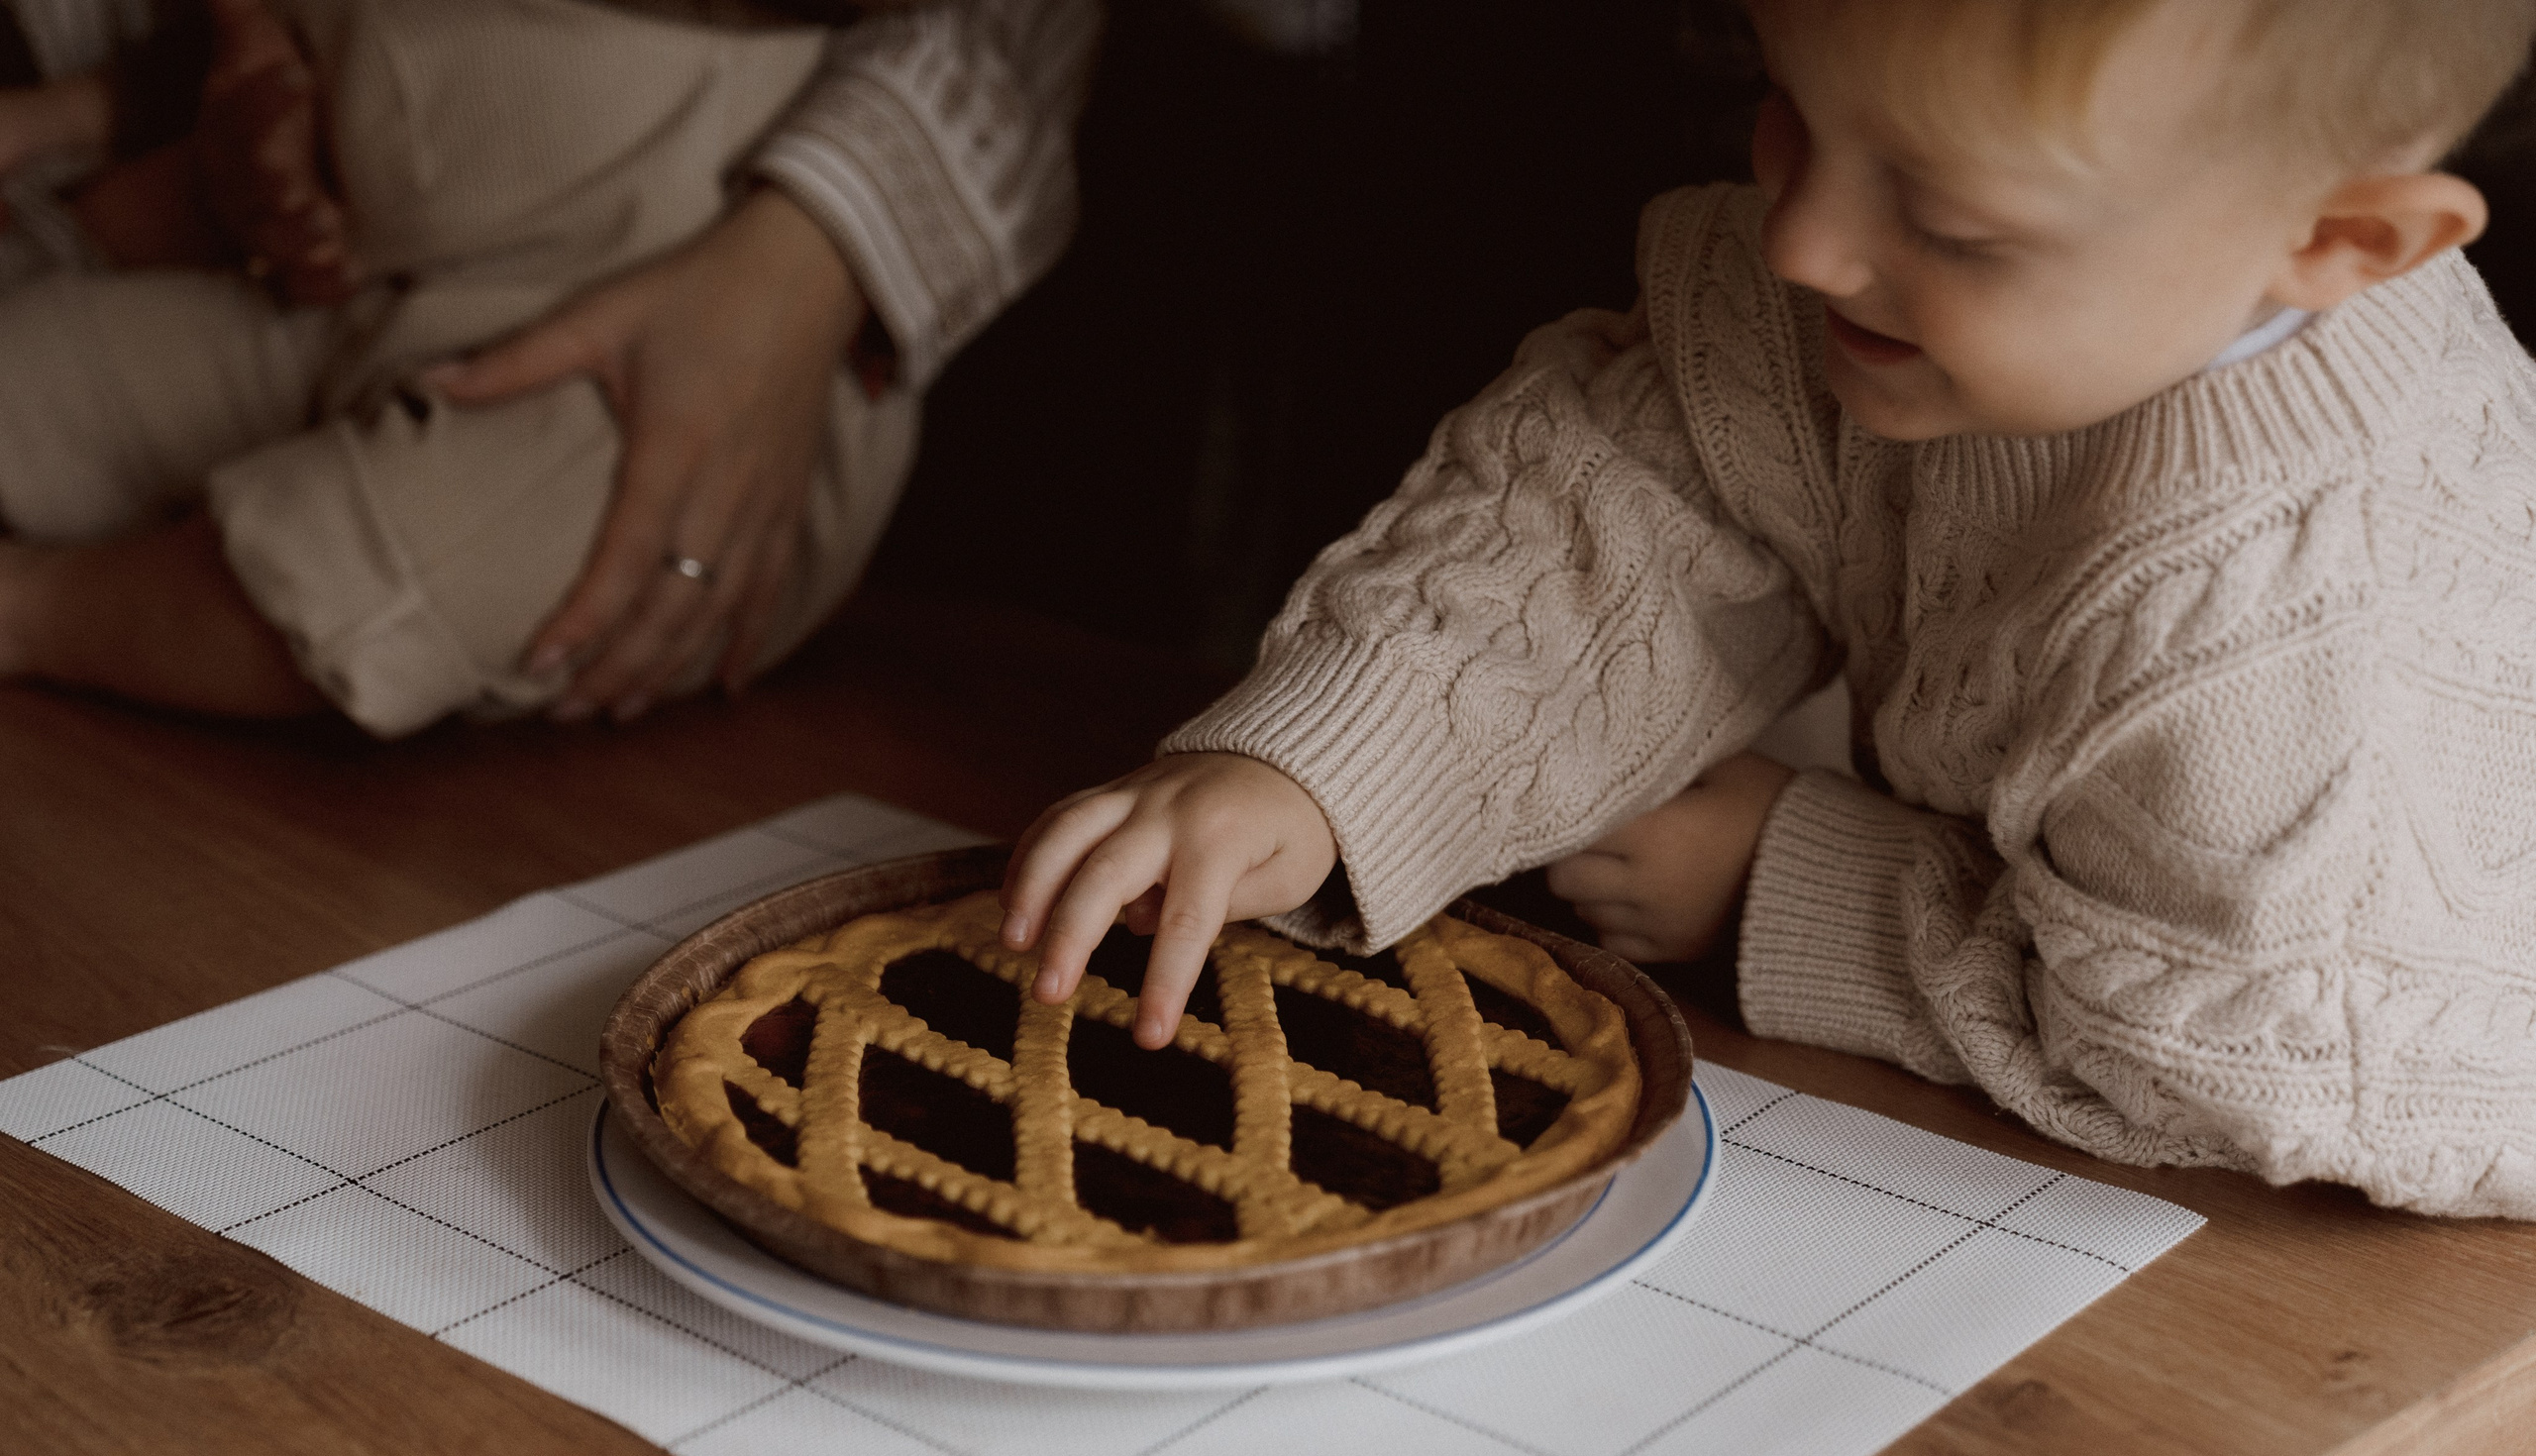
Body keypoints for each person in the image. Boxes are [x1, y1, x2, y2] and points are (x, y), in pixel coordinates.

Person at [998, 0, 2536, 1220]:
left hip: (2358, 1176)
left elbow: (2219, 1058)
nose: (1800, 238)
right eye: (1789, 102)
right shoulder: (1916, 273)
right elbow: (1632, 492)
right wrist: (1324, 765)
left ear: (2339, 245)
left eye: (1953, 222)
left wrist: (1789, 881)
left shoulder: (2312, 660)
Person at [0, 0, 1095, 732]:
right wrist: (231, 47)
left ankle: (38, 607)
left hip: (714, 276)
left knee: (466, 563)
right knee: (45, 378)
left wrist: (817, 245)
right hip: (303, 232)